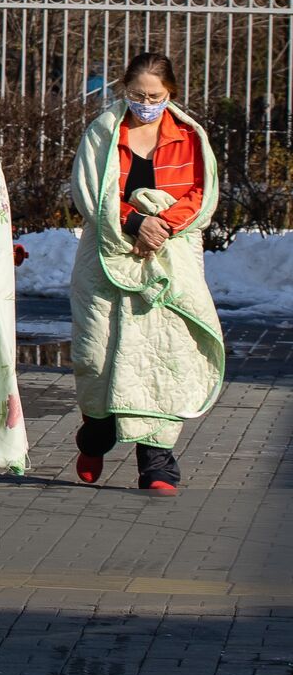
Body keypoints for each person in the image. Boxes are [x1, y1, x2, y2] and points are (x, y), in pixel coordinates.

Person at [69, 53, 222, 494]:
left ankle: (157, 462)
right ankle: (96, 434)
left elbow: (201, 192)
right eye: (138, 95)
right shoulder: (104, 132)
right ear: (124, 90)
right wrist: (134, 222)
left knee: (160, 356)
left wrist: (164, 225)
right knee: (95, 354)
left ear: (170, 94)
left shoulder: (190, 136)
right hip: (105, 255)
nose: (146, 103)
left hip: (168, 256)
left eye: (155, 96)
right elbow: (89, 191)